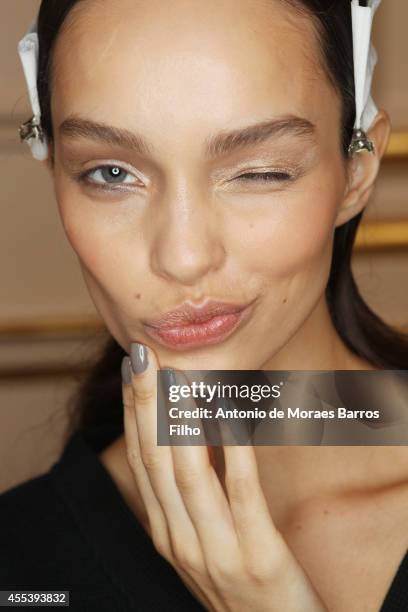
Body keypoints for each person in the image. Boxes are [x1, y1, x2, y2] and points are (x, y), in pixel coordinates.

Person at [1, 0, 407, 610]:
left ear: (356, 170)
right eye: (111, 174)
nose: (183, 256)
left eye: (260, 172)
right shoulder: (22, 568)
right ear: (55, 166)